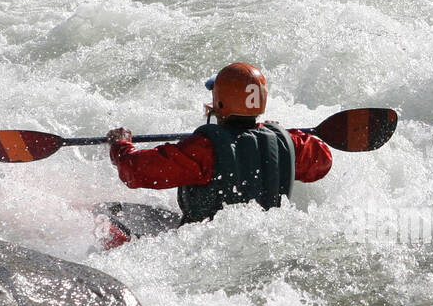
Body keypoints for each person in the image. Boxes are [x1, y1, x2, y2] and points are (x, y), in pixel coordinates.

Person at [106, 62, 333, 224]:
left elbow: (135, 171)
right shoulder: (290, 143)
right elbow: (323, 161)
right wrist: (279, 133)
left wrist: (120, 144)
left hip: (205, 247)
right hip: (263, 235)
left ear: (220, 103)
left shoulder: (204, 150)